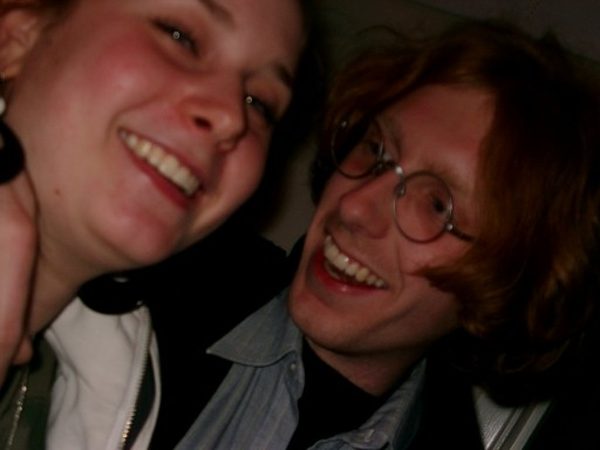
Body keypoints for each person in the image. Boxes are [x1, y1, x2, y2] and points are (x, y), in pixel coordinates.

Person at [166, 20, 600, 449]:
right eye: (375, 151)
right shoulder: (157, 278)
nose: (354, 206)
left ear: (502, 289)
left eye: (436, 206)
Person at [0, 0, 314, 447]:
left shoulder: (121, 391)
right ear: (14, 41)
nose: (231, 117)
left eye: (259, 103)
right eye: (179, 36)